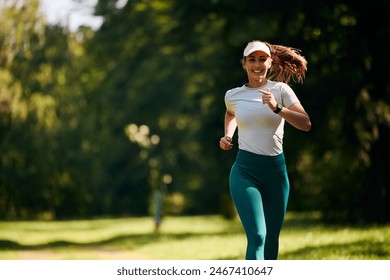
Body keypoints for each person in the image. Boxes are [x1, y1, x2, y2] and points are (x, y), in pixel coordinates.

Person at [219, 40, 311, 260]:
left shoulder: (280, 90)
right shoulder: (233, 95)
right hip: (245, 172)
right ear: (244, 64)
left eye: (262, 59)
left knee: (271, 240)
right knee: (258, 236)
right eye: (252, 59)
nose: (257, 64)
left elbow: (305, 124)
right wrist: (228, 135)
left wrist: (278, 109)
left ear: (270, 63)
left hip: (276, 173)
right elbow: (231, 114)